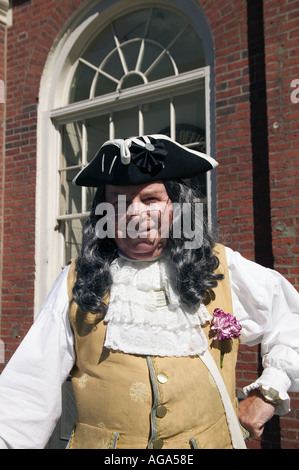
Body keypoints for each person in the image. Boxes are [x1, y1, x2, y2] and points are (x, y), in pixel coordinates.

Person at [0, 134, 298, 449]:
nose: (134, 213)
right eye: (118, 202)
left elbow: (289, 319)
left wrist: (269, 391)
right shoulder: (76, 279)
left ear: (176, 207)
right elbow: (26, 393)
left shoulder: (222, 267)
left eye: (150, 199)